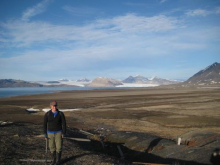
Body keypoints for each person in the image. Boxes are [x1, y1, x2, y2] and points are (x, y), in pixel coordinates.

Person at [43, 101, 66, 165]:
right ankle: (54, 160)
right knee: (51, 147)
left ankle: (58, 161)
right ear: (50, 106)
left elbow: (64, 124)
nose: (54, 107)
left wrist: (64, 133)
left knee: (59, 147)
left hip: (58, 132)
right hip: (49, 133)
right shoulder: (47, 114)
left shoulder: (60, 114)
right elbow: (44, 124)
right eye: (53, 106)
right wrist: (45, 133)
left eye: (55, 105)